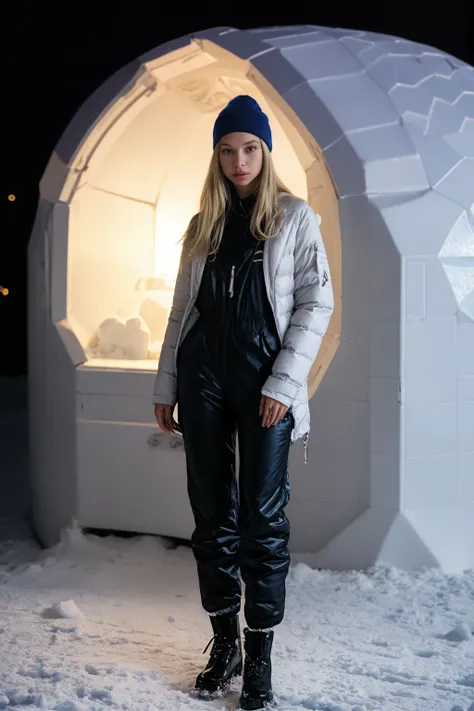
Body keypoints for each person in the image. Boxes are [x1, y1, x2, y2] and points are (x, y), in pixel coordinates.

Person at [153, 95, 334, 710]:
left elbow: (316, 304)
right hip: (202, 376)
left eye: (249, 148)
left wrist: (282, 386)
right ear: (216, 155)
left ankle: (260, 655)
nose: (238, 161)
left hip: (264, 385)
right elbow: (183, 313)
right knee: (211, 515)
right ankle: (223, 643)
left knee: (263, 520)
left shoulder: (294, 216)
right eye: (227, 150)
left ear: (265, 152)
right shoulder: (201, 224)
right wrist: (167, 385)